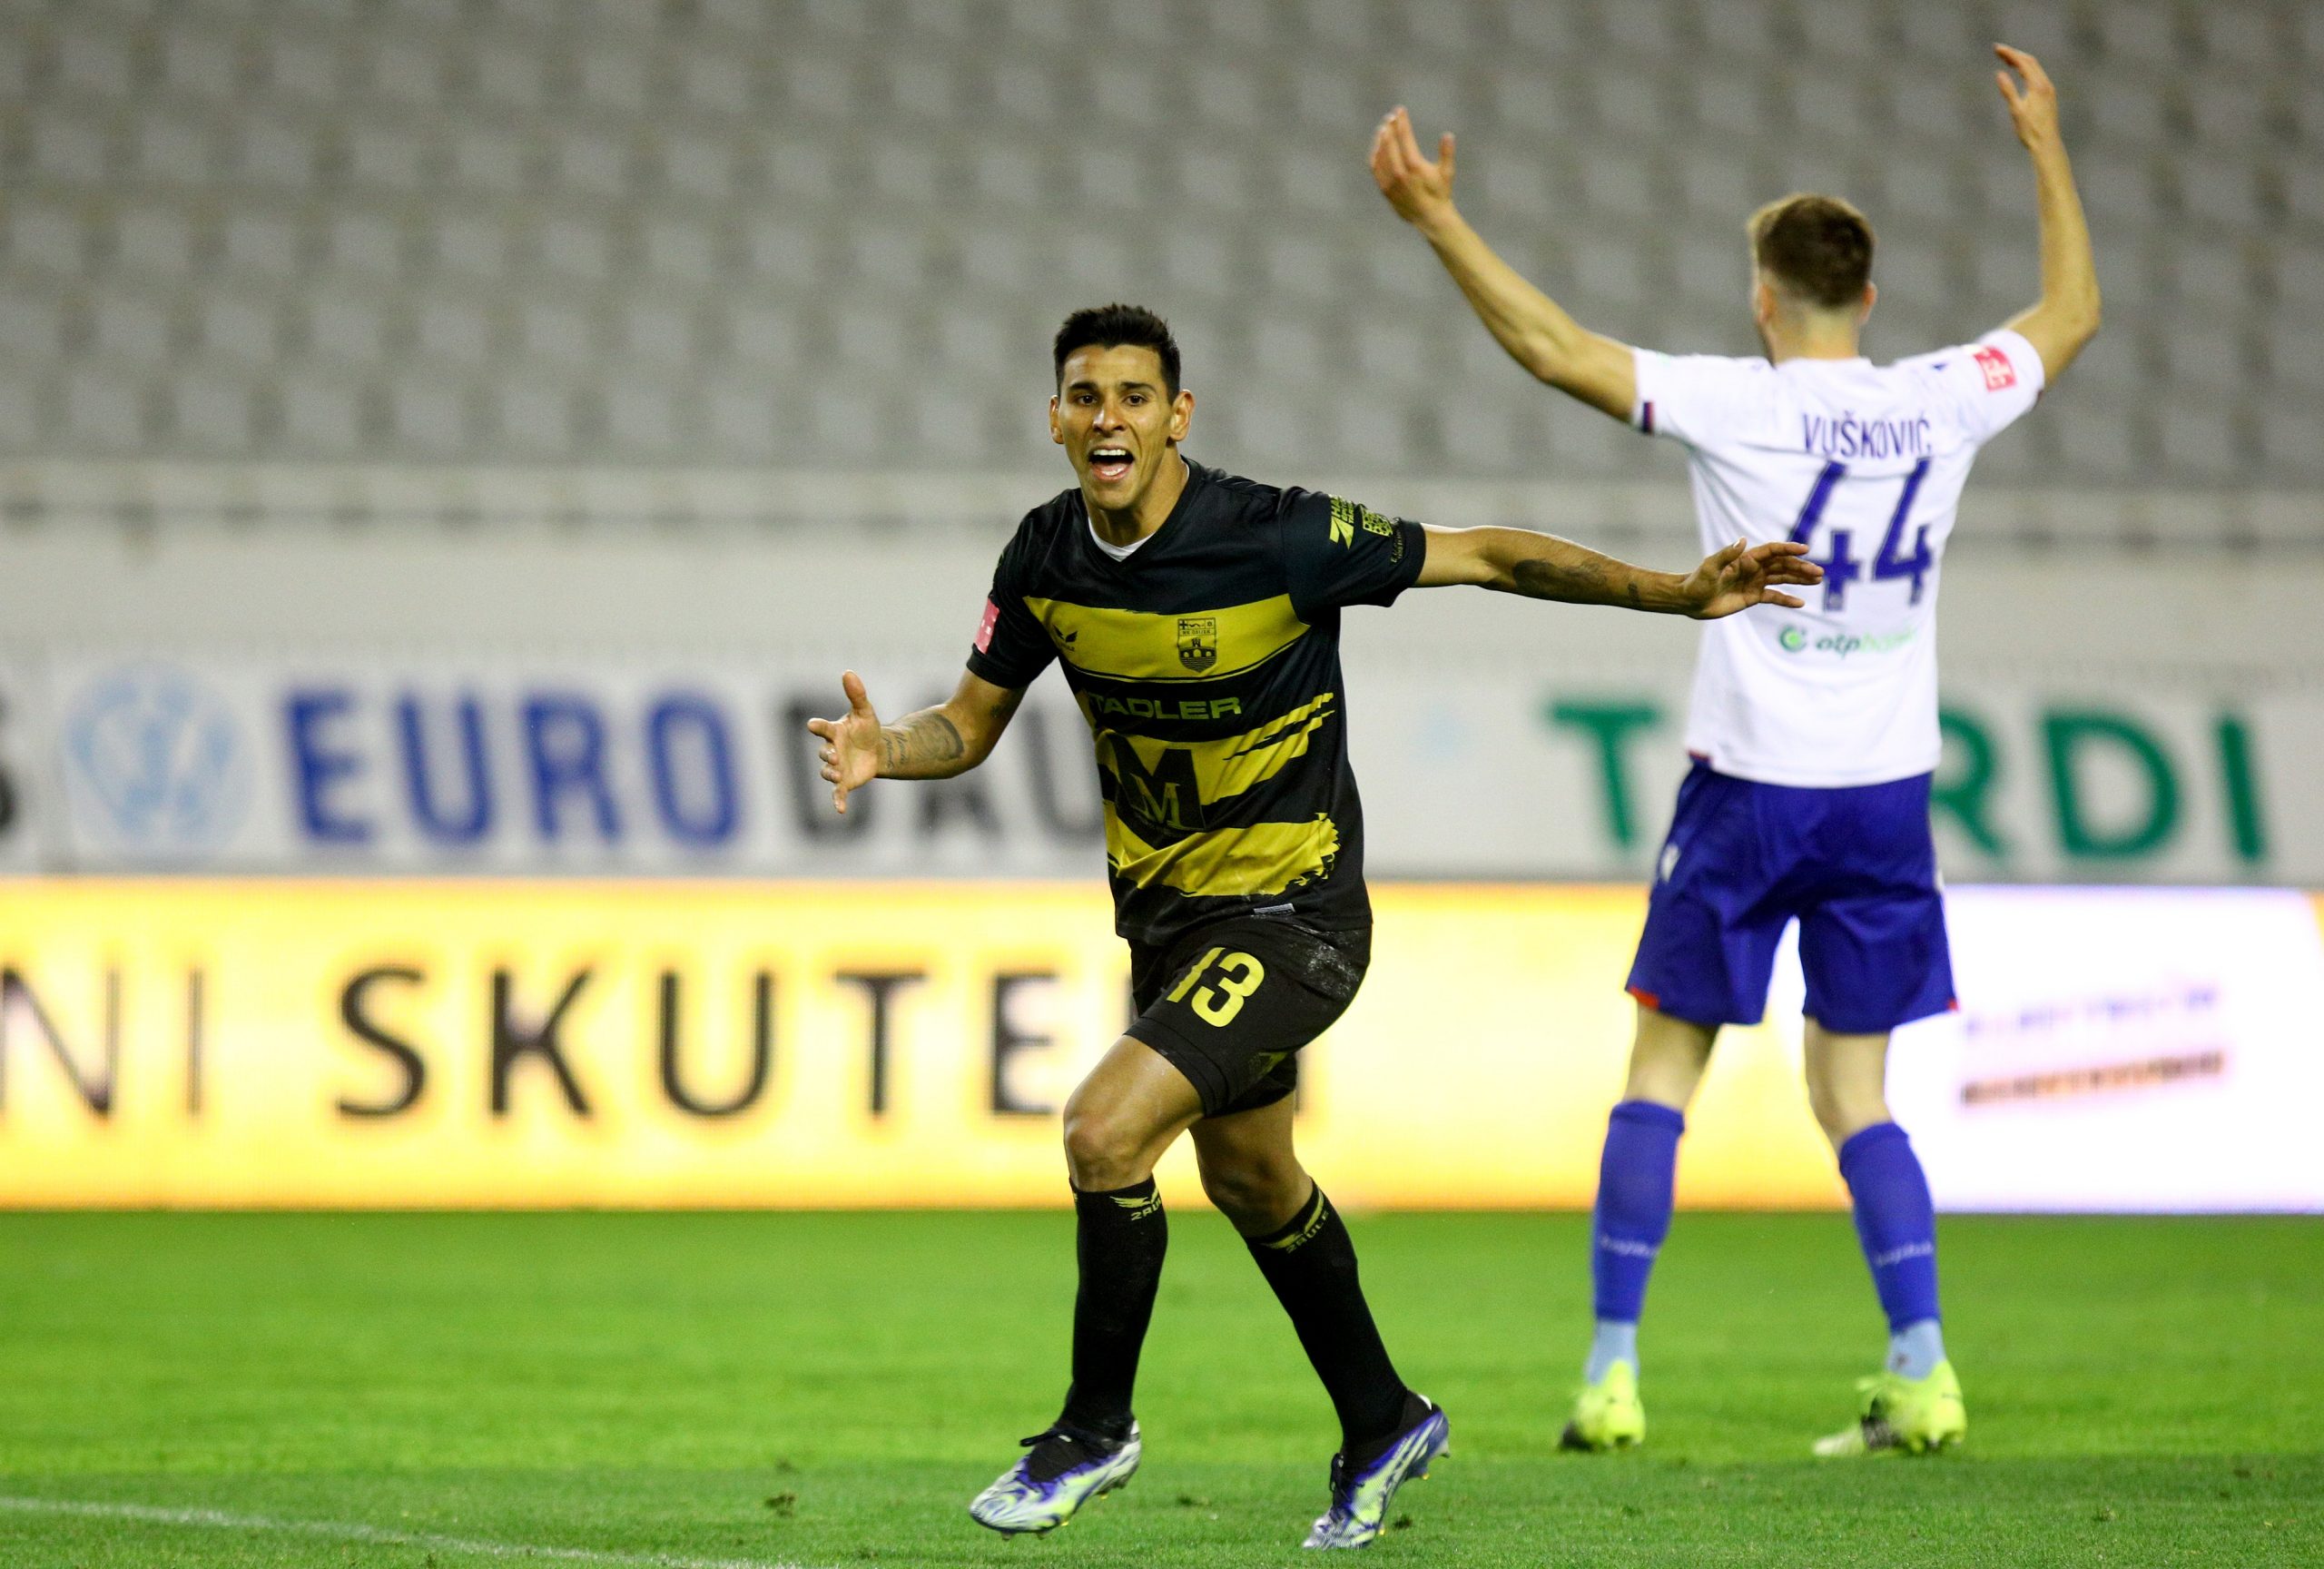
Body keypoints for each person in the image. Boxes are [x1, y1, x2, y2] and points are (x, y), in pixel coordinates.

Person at [808, 303, 1819, 1543]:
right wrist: (884, 749)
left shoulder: (1280, 535)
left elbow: (1487, 556)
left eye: (1134, 396)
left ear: (1179, 416)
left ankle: (1092, 1429)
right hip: (1172, 928)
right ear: (1056, 418)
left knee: (1104, 1130)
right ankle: (1385, 1416)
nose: (1108, 418)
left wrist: (1674, 594)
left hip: (1298, 918)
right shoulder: (1042, 561)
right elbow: (968, 724)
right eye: (1085, 396)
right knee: (1251, 1174)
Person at [1372, 44, 2100, 1457]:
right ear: (1869, 298)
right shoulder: (1944, 396)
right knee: (1856, 1098)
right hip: (1882, 800)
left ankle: (1612, 1376)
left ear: (1763, 300)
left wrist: (1439, 220)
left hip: (1750, 790)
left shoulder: (1740, 398)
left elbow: (1552, 351)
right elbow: (2072, 313)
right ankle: (1924, 1370)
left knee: (1662, 1075)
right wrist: (2045, 144)